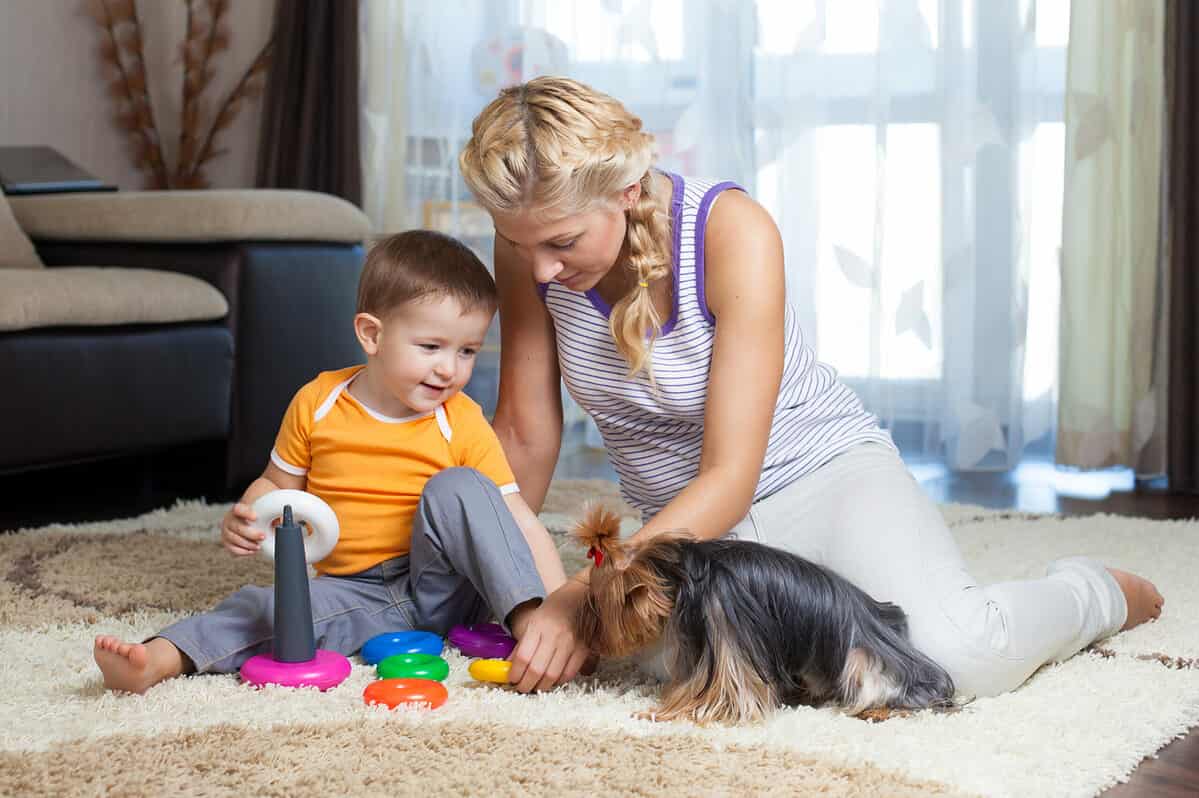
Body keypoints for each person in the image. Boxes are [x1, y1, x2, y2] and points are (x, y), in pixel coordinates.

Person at [458, 76, 1165, 699]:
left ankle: (1093, 592)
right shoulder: (529, 242)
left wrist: (591, 589)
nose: (540, 270)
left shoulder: (730, 229)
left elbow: (730, 475)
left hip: (820, 478)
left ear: (626, 190)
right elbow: (522, 430)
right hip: (684, 527)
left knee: (954, 661)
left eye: (562, 243)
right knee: (669, 670)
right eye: (519, 246)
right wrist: (517, 586)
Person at [93, 230, 573, 694]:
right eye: (431, 347)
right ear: (371, 335)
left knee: (461, 486)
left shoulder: (460, 418)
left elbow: (515, 520)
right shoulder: (317, 402)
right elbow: (277, 486)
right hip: (354, 593)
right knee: (265, 610)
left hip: (447, 585)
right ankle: (160, 657)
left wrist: (559, 612)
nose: (450, 368)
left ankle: (532, 626)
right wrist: (247, 516)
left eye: (467, 351)